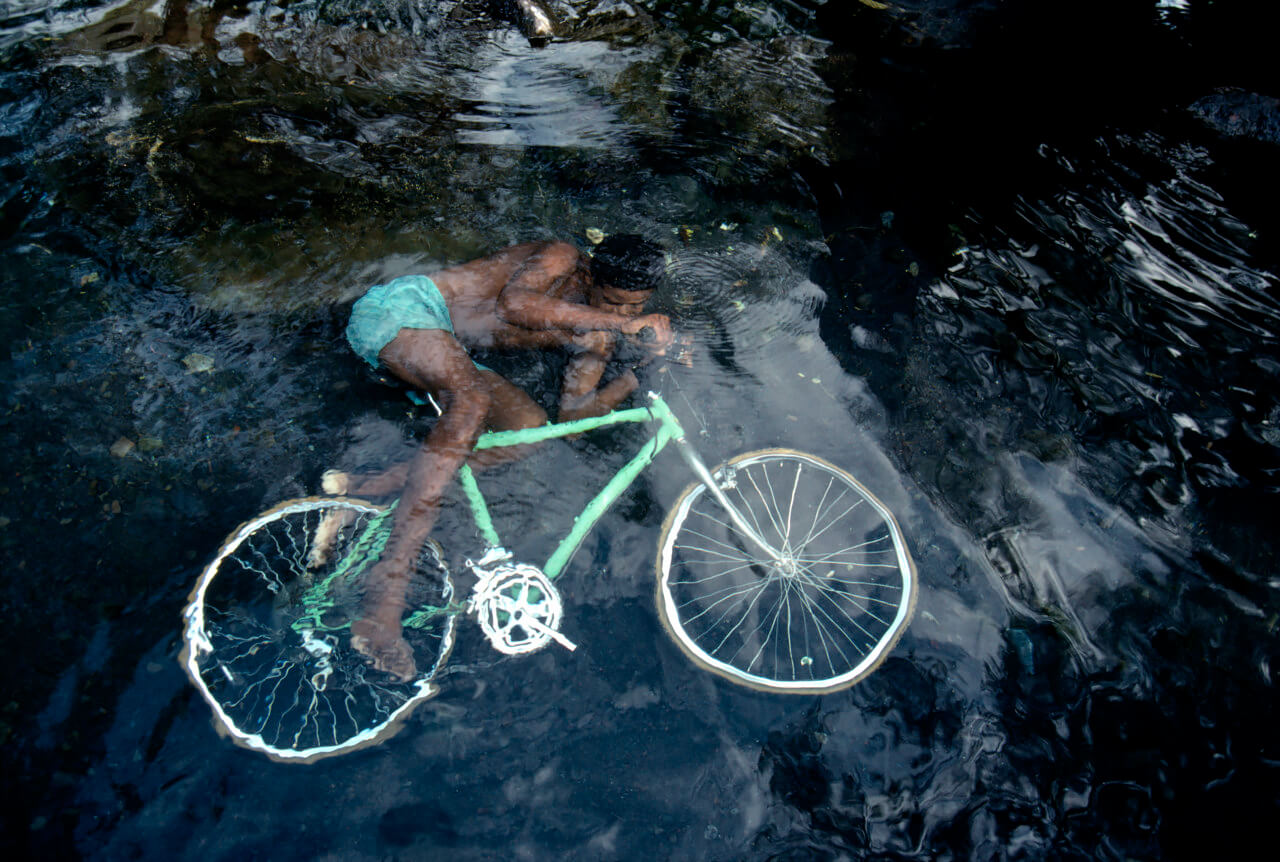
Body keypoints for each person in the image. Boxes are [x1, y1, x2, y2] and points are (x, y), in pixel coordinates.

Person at [329, 236, 674, 680]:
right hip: (403, 314)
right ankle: (384, 599)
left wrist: (637, 371)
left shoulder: (601, 330)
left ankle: (359, 490)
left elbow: (575, 414)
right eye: (614, 302)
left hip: (447, 354)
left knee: (529, 429)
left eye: (634, 307)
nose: (625, 315)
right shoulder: (562, 258)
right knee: (469, 402)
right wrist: (614, 322)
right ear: (590, 275)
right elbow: (514, 304)